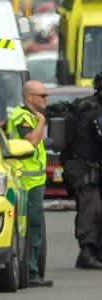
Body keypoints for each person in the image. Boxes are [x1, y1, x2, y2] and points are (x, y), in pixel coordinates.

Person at [6, 80, 53, 287]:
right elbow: (30, 142)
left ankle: (32, 271)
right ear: (29, 97)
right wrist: (42, 122)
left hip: (33, 181)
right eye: (42, 95)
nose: (45, 99)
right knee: (31, 228)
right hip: (24, 182)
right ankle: (31, 273)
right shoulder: (23, 116)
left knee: (34, 228)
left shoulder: (30, 115)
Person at [60, 71, 102, 269]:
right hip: (83, 167)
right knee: (91, 207)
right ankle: (87, 252)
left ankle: (96, 251)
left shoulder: (86, 105)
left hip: (81, 165)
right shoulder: (94, 111)